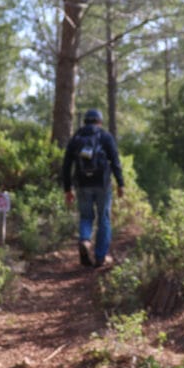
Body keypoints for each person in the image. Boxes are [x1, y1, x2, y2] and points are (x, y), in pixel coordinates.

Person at [62, 109, 124, 267]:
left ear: (85, 121)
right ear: (99, 121)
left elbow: (67, 165)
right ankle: (100, 257)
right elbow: (115, 162)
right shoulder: (105, 136)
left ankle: (85, 240)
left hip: (82, 184)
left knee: (86, 216)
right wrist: (120, 184)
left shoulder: (76, 138)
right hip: (102, 184)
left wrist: (67, 189)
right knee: (103, 219)